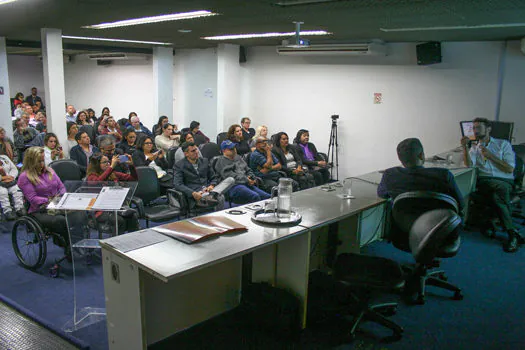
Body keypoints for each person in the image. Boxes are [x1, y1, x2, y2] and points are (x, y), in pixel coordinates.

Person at [377, 138, 465, 249]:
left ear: (400, 159)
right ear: (422, 155)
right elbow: (461, 204)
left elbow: (382, 194)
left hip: (404, 232)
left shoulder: (390, 174)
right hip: (441, 231)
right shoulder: (443, 175)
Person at [461, 117, 523, 253]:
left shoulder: (503, 144)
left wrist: (490, 156)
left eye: (478, 127)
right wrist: (465, 147)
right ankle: (512, 233)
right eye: (474, 128)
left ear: (488, 129)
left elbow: (509, 169)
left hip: (504, 180)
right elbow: (468, 166)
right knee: (494, 193)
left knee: (496, 195)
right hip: (485, 181)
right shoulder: (475, 148)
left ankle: (509, 231)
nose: (475, 131)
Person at [17, 147, 72, 255]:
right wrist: (50, 200)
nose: (42, 164)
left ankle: (75, 243)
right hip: (39, 210)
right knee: (60, 220)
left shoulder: (50, 171)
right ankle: (69, 246)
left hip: (57, 204)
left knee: (78, 215)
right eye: (39, 161)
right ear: (31, 161)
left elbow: (61, 187)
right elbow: (33, 199)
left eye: (43, 161)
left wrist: (60, 196)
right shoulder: (25, 177)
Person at [86, 153, 140, 234]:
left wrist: (131, 166)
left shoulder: (113, 174)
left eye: (109, 161)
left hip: (116, 207)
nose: (108, 164)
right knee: (119, 220)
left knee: (133, 216)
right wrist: (111, 167)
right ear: (96, 164)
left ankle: (133, 242)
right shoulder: (91, 177)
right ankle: (117, 244)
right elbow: (99, 181)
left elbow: (133, 179)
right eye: (105, 162)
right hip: (100, 211)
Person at [173, 142, 233, 211]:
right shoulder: (179, 165)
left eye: (196, 149)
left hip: (208, 190)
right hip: (197, 195)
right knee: (220, 197)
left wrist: (212, 185)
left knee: (230, 180)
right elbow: (177, 184)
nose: (196, 152)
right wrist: (192, 193)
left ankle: (212, 195)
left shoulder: (204, 161)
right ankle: (212, 198)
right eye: (193, 151)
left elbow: (214, 177)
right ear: (186, 154)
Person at [0, 154, 25, 220]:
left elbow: (14, 168)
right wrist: (2, 178)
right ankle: (7, 211)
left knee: (17, 190)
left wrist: (11, 176)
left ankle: (19, 208)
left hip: (10, 180)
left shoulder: (4, 157)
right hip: (1, 183)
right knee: (2, 192)